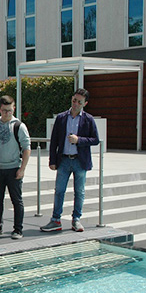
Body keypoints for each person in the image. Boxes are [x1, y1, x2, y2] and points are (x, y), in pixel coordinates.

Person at [41, 88, 99, 233]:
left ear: (85, 104)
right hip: (64, 160)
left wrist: (79, 140)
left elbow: (95, 139)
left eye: (79, 102)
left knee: (79, 192)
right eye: (74, 100)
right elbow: (54, 140)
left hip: (80, 160)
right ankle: (55, 220)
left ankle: (76, 219)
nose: (76, 104)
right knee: (59, 191)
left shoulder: (88, 119)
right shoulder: (61, 118)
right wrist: (52, 160)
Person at [0, 95, 31, 240]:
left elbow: (26, 148)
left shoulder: (18, 126)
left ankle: (18, 229)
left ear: (14, 109)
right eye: (4, 110)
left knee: (16, 200)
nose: (7, 113)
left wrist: (22, 169)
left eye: (10, 110)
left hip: (13, 168)